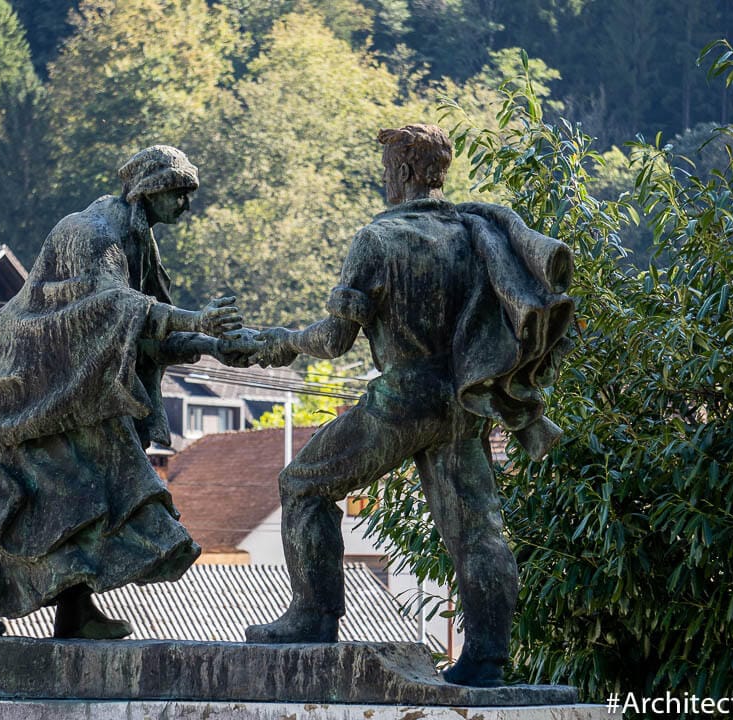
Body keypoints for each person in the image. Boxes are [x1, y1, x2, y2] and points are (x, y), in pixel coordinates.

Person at [244, 125, 575, 686]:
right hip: (464, 402)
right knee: (478, 531)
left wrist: (276, 339)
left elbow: (333, 341)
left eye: (384, 169)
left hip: (404, 398)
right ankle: (487, 659)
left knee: (303, 485)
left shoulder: (378, 241)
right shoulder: (474, 234)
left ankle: (313, 617)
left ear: (399, 172)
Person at [0, 145, 256, 639]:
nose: (187, 206)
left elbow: (142, 330)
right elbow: (109, 309)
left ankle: (75, 612)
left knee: (82, 496)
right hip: (19, 387)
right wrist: (197, 320)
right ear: (151, 188)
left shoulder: (138, 239)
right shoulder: (91, 233)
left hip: (69, 389)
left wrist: (214, 343)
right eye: (181, 193)